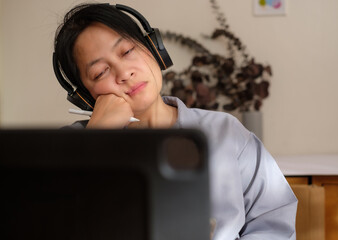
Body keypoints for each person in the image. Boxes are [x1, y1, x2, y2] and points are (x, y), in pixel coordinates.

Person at [53, 3, 297, 239]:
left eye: (127, 51)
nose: (124, 73)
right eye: (100, 72)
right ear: (85, 96)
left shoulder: (226, 132)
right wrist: (96, 139)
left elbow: (274, 226)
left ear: (153, 48)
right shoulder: (66, 150)